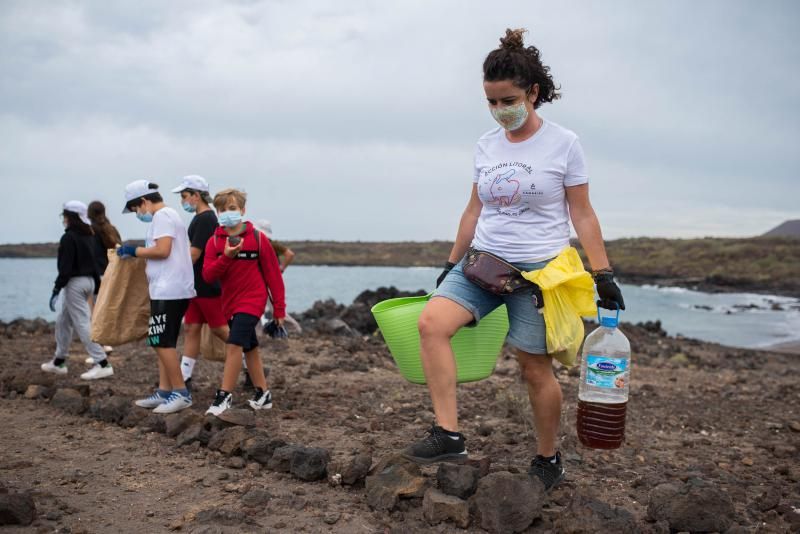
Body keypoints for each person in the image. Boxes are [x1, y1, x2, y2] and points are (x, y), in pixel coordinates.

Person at [402, 29, 625, 491]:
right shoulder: (487, 145)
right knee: (431, 324)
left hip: (538, 277)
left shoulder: (564, 144)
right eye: (491, 102)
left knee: (533, 369)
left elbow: (582, 212)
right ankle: (448, 434)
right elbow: (473, 209)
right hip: (483, 264)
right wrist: (451, 262)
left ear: (533, 93)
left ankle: (548, 458)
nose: (501, 110)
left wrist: (601, 271)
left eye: (508, 99)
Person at [202, 189, 286, 416]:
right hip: (230, 302)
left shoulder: (258, 239)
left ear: (242, 210)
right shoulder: (214, 243)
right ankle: (263, 394)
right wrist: (227, 257)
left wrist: (279, 309)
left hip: (253, 301)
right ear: (217, 212)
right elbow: (208, 276)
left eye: (232, 208)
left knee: (234, 344)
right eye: (223, 210)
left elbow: (273, 277)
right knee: (250, 347)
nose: (228, 213)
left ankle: (223, 397)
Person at [117, 180, 196, 414]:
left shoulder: (162, 216)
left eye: (135, 210)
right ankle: (164, 392)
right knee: (163, 340)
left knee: (160, 340)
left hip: (169, 290)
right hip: (167, 288)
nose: (137, 214)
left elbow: (162, 251)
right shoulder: (168, 215)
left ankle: (181, 393)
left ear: (143, 201)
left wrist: (134, 250)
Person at [41, 201, 114, 380]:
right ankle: (59, 361)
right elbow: (94, 262)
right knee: (63, 321)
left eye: (64, 215)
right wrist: (96, 284)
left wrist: (57, 288)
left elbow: (65, 268)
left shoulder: (69, 238)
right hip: (89, 281)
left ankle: (102, 363)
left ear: (70, 217)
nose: (63, 219)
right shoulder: (89, 235)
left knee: (82, 323)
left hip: (75, 284)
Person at [171, 175, 229, 389]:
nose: (182, 201)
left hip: (206, 285)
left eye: (185, 196)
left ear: (197, 196)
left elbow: (194, 254)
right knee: (191, 328)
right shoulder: (200, 218)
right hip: (195, 285)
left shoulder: (206, 219)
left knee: (220, 330)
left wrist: (170, 267)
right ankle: (185, 376)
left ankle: (248, 362)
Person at [87, 200, 122, 357]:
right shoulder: (111, 229)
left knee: (94, 312)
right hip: (110, 274)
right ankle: (106, 343)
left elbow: (90, 254)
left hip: (95, 274)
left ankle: (100, 346)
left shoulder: (91, 231)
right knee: (105, 310)